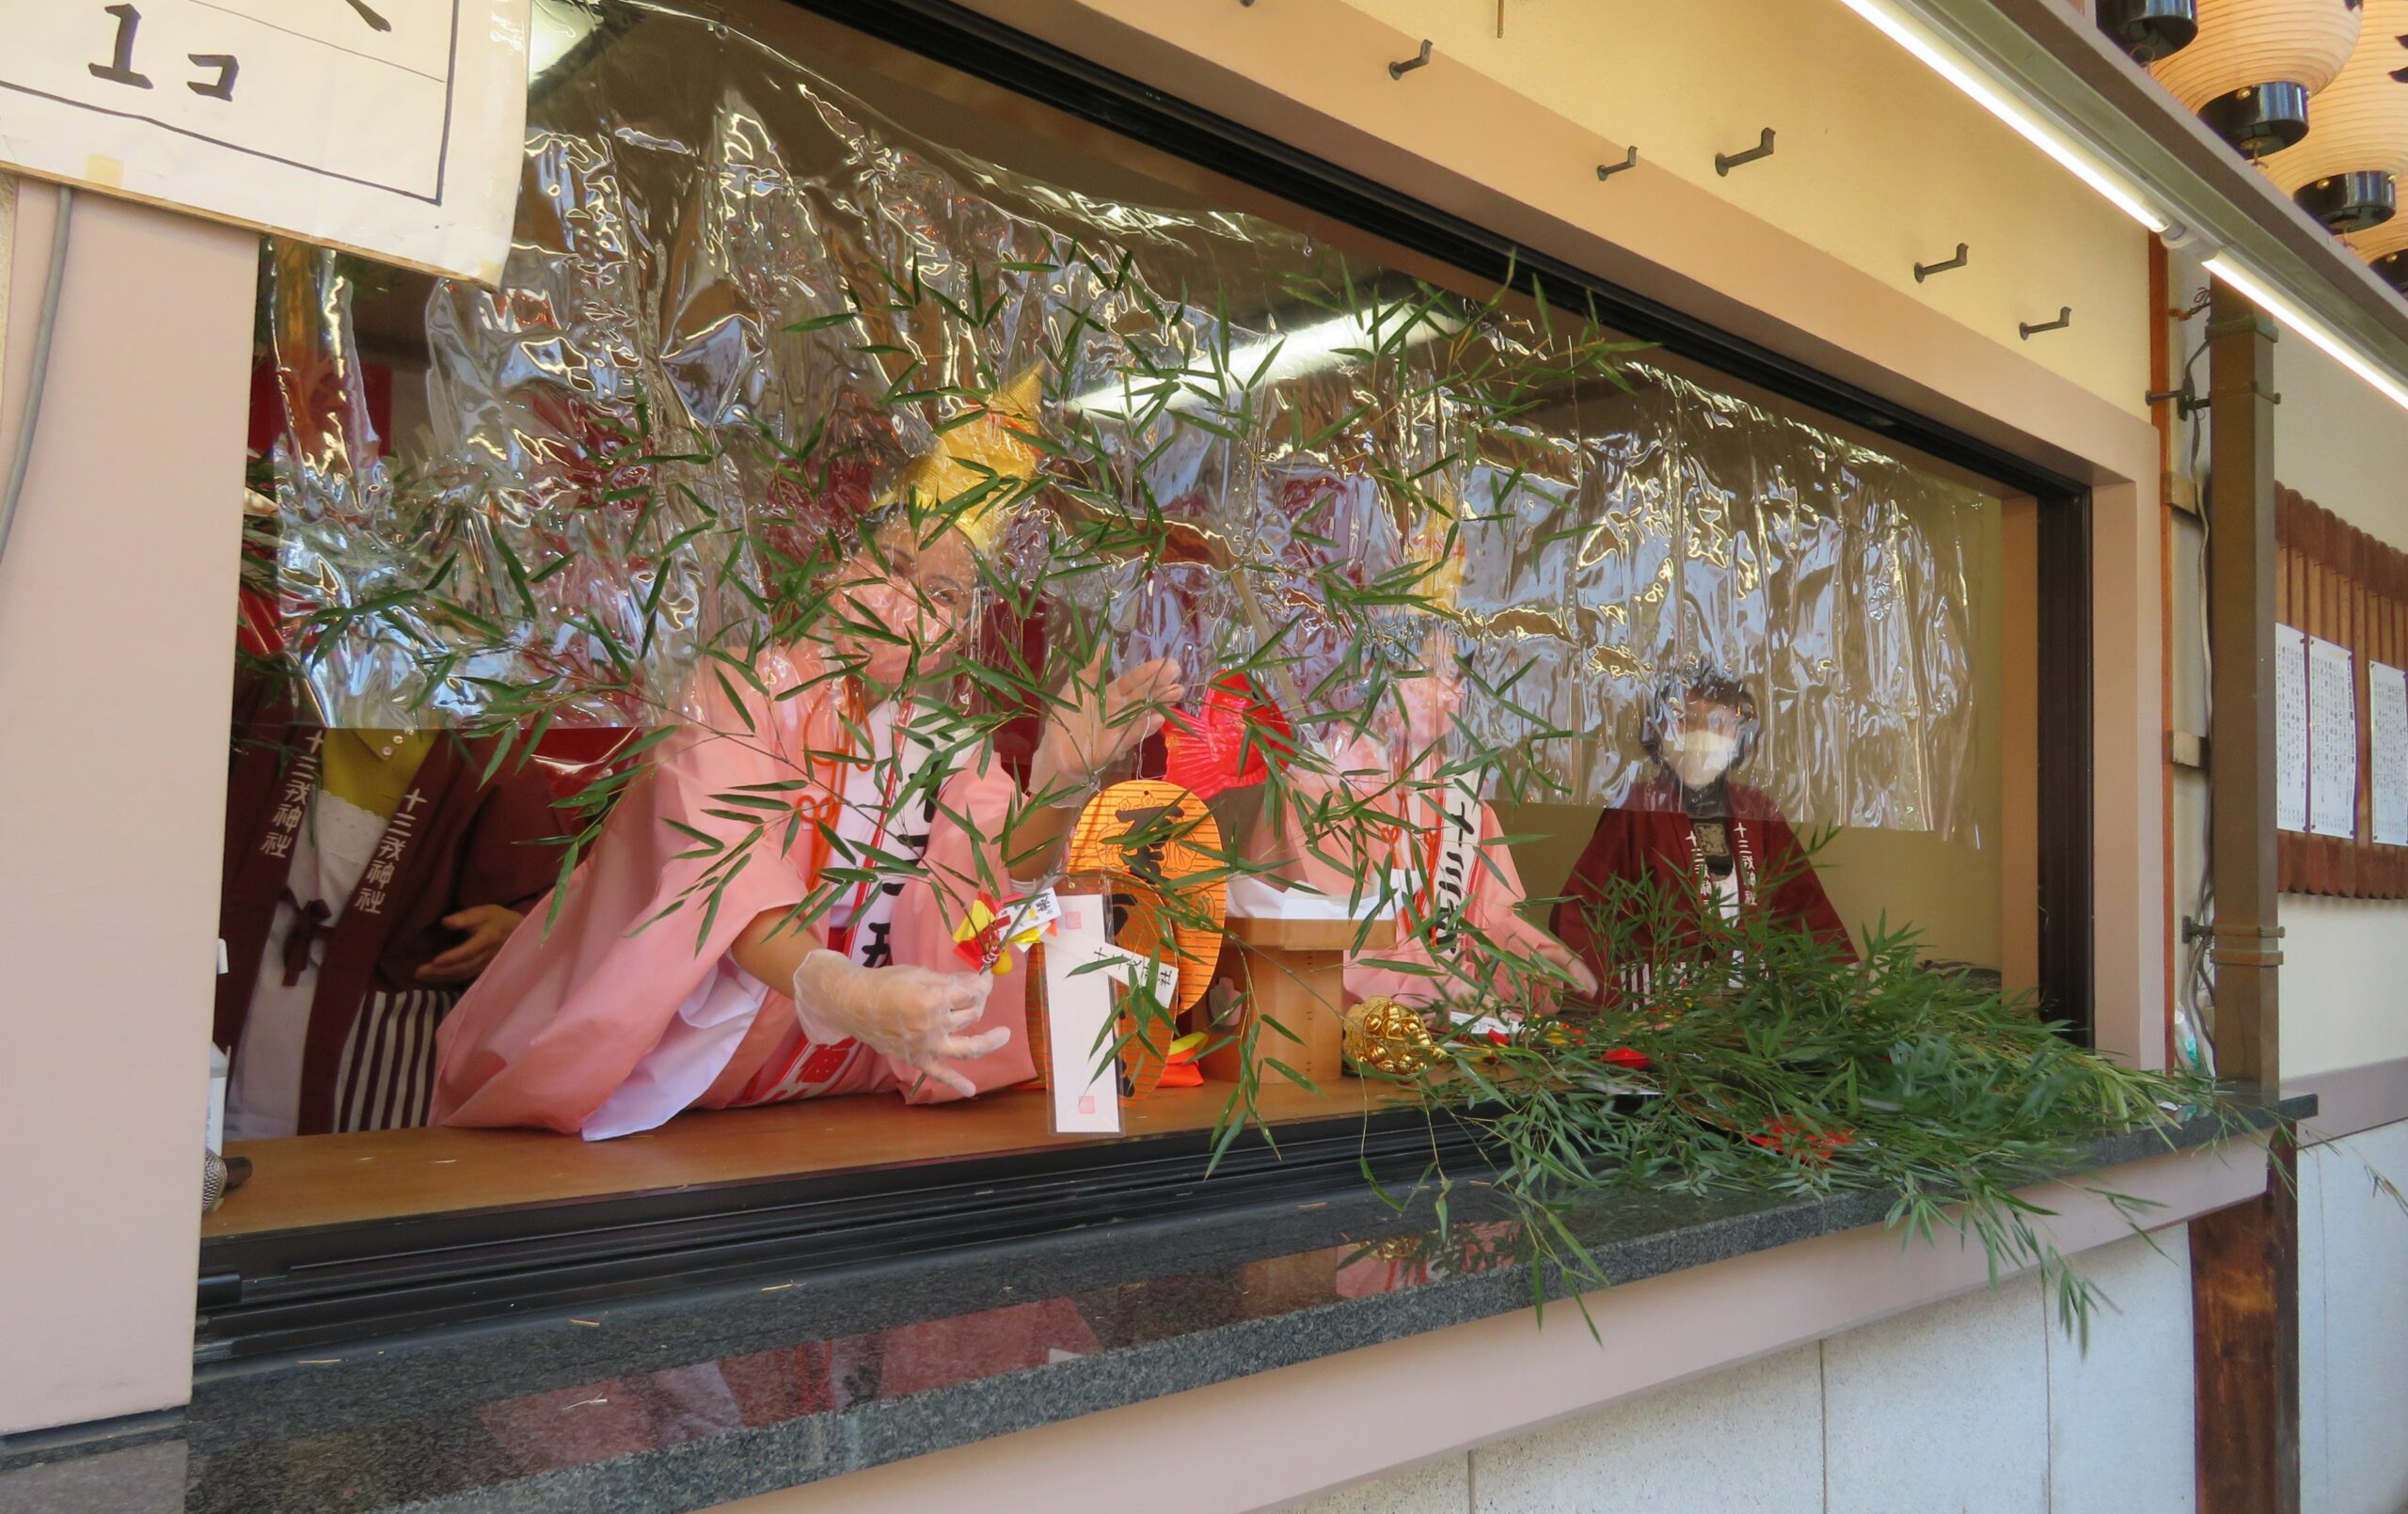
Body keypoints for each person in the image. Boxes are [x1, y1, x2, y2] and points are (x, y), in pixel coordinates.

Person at [432, 383, 1180, 1138]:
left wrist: (1056, 782)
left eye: (946, 593)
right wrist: (843, 994)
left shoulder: (951, 746)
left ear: (963, 630)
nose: (911, 604)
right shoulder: (738, 692)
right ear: (830, 564)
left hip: (840, 1102)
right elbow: (722, 877)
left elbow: (983, 915)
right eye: (891, 565)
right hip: (680, 1096)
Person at [214, 676, 570, 1139]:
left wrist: (514, 928)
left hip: (381, 1046)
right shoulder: (279, 695)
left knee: (354, 1183)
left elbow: (547, 900)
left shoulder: (481, 746)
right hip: (244, 994)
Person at [1250, 632, 1596, 1014]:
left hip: (1439, 1016)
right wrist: (1446, 990)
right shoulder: (1324, 783)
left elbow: (1489, 915)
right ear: (1377, 674)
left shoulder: (1460, 798)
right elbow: (1344, 932)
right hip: (1326, 1021)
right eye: (1431, 672)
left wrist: (1539, 957)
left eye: (1459, 677)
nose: (1452, 693)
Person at [1551, 673, 1848, 997]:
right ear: (1660, 732)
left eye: (1719, 722)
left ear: (1741, 734)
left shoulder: (1758, 812)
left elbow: (1804, 909)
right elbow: (1587, 910)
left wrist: (1832, 984)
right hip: (1659, 1008)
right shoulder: (1637, 809)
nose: (1703, 735)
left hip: (1750, 1013)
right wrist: (1598, 989)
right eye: (1686, 722)